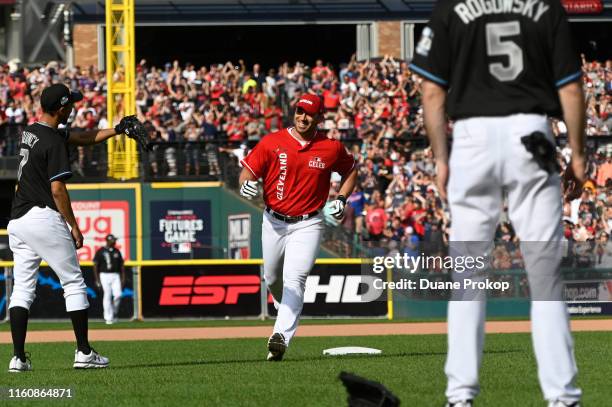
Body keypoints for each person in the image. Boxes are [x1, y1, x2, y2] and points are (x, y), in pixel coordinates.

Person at [411, 1, 586, 406]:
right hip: (532, 132)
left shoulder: (451, 8)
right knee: (544, 276)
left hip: (471, 138)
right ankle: (562, 397)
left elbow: (433, 90)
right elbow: (571, 87)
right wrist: (577, 155)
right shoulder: (546, 8)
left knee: (468, 275)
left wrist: (440, 158)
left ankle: (459, 396)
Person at [7, 83, 140, 372]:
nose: (74, 108)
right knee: (73, 282)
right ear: (61, 108)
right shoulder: (53, 142)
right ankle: (83, 352)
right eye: (71, 104)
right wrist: (74, 226)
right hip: (43, 216)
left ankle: (17, 358)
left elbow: (82, 137)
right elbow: (57, 190)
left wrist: (117, 130)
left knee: (22, 290)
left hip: (18, 219)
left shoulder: (32, 132)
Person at [238, 93, 357, 361]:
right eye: (300, 111)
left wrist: (341, 198)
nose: (303, 117)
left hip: (309, 223)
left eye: (310, 113)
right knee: (272, 278)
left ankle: (280, 337)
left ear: (320, 118)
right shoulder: (272, 141)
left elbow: (351, 170)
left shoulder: (331, 147)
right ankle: (285, 307)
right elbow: (247, 171)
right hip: (273, 221)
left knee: (295, 278)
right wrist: (245, 182)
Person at [93, 234, 125, 325]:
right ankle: (108, 318)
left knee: (118, 295)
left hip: (115, 275)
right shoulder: (101, 251)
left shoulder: (117, 251)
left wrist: (123, 278)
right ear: (108, 241)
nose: (115, 242)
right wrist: (97, 279)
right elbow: (95, 266)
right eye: (113, 240)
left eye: (115, 240)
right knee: (107, 295)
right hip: (104, 275)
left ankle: (114, 313)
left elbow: (121, 266)